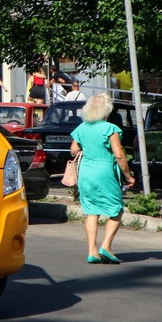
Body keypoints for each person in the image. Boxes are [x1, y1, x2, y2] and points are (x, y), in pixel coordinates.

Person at [69, 92, 136, 264]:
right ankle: (105, 246)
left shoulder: (82, 127)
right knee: (116, 208)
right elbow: (119, 155)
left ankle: (92, 250)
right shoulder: (110, 129)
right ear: (106, 111)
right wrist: (128, 177)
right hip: (104, 171)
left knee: (92, 211)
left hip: (86, 172)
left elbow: (73, 151)